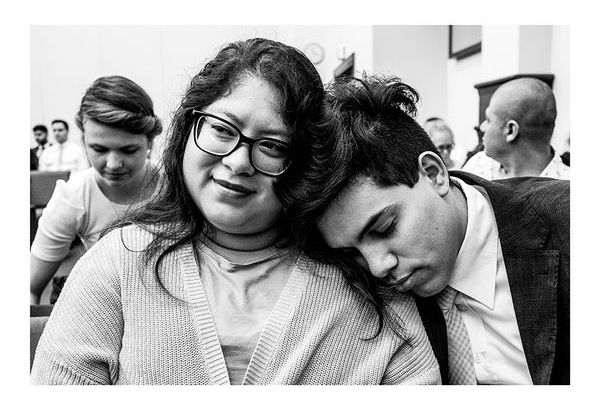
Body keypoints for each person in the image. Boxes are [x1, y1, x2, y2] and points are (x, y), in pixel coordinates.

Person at [31, 39, 440, 385]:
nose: (238, 161)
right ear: (188, 128)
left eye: (272, 146)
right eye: (222, 129)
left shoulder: (367, 280)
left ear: (306, 165)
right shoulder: (120, 263)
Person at [288, 75, 569, 385]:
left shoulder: (569, 223)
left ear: (434, 175)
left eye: (385, 228)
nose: (378, 267)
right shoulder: (368, 291)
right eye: (351, 252)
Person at [30, 75, 162, 305]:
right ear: (83, 140)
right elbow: (31, 287)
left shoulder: (176, 185)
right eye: (99, 149)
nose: (113, 164)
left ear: (150, 142)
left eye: (129, 150)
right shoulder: (73, 197)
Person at [462, 77, 569, 180]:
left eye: (488, 120)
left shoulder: (567, 186)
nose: (482, 127)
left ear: (511, 130)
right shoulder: (478, 165)